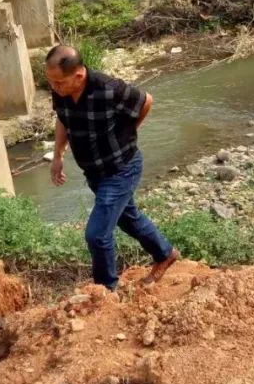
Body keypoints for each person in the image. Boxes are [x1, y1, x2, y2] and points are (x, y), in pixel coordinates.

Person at [46, 45, 179, 291]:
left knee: (97, 234)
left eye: (59, 82)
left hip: (121, 169)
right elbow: (63, 119)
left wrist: (128, 132)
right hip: (94, 172)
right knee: (129, 219)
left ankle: (105, 290)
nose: (55, 88)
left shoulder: (109, 88)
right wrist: (57, 156)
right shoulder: (61, 91)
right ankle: (165, 254)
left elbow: (146, 101)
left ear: (79, 76)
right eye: (51, 82)